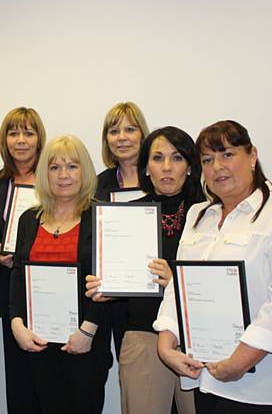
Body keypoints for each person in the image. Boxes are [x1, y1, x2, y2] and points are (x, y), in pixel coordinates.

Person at [155, 120, 272, 414]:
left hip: (263, 387)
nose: (217, 166)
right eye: (207, 159)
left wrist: (240, 362)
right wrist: (166, 345)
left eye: (227, 154)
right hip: (205, 375)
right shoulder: (197, 216)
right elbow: (180, 290)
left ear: (252, 156)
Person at [86, 126, 203, 414]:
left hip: (197, 339)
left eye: (176, 158)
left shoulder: (209, 214)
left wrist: (175, 282)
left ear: (190, 166)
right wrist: (107, 287)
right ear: (146, 168)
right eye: (157, 158)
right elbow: (118, 275)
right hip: (143, 334)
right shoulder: (126, 216)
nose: (166, 167)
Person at [9, 135, 111, 414]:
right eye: (54, 167)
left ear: (85, 171)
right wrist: (17, 324)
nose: (63, 175)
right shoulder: (29, 219)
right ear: (44, 174)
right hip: (38, 341)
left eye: (72, 166)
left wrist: (87, 331)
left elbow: (107, 281)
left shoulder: (100, 216)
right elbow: (18, 274)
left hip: (84, 342)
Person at [0, 106, 46, 413]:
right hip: (11, 290)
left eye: (28, 132)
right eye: (13, 133)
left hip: (49, 288)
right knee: (18, 380)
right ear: (5, 140)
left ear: (39, 139)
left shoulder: (53, 176)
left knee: (48, 380)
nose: (20, 140)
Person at [95, 101, 151, 360]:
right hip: (113, 300)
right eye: (114, 131)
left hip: (155, 298)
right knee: (131, 375)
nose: (122, 138)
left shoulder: (159, 179)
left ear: (143, 134)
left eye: (130, 129)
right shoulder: (99, 184)